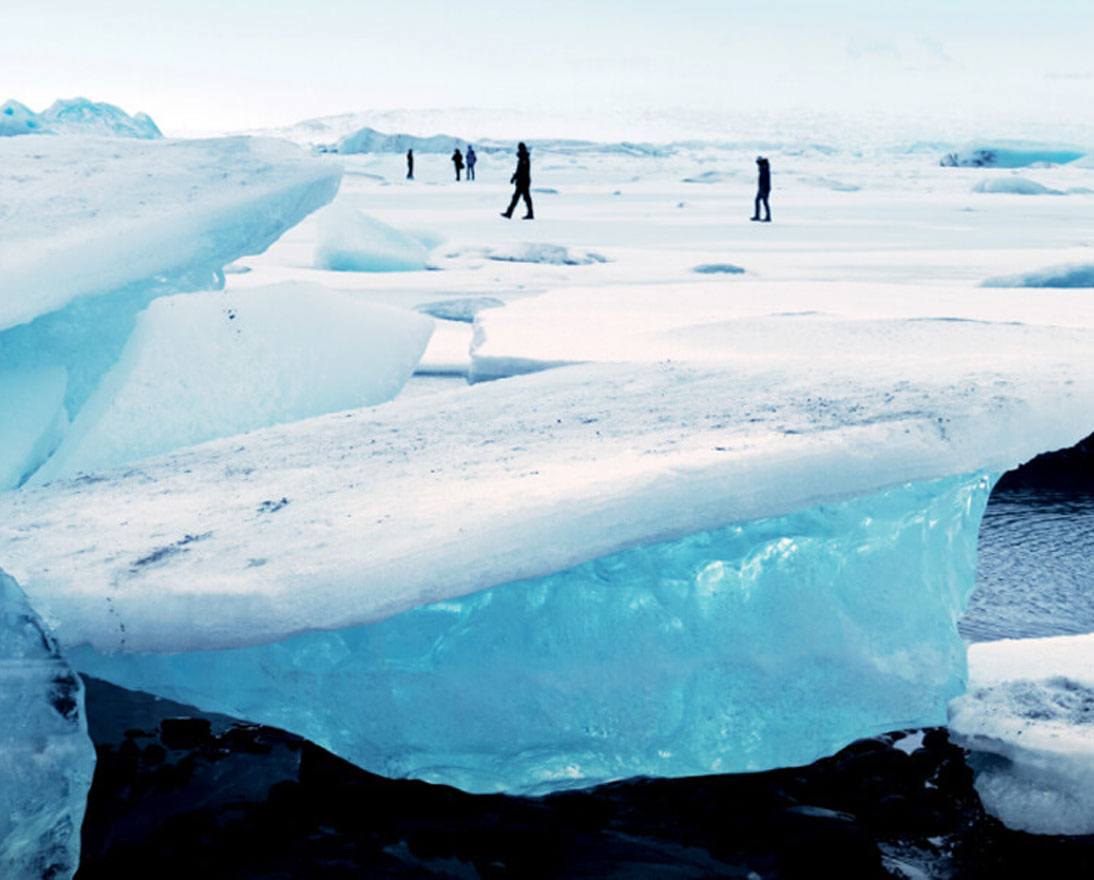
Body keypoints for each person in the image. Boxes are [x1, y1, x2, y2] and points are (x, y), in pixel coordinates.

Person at [501, 142, 533, 219]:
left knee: (520, 198)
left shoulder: (524, 158)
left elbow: (522, 171)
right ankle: (510, 213)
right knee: (522, 198)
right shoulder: (523, 157)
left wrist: (516, 178)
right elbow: (519, 170)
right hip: (523, 181)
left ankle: (510, 213)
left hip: (523, 182)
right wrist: (514, 178)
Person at [751, 156, 771, 222]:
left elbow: (764, 179)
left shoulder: (764, 168)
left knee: (764, 201)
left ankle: (767, 217)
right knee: (758, 201)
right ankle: (758, 216)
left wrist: (763, 188)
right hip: (762, 187)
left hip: (764, 188)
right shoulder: (763, 167)